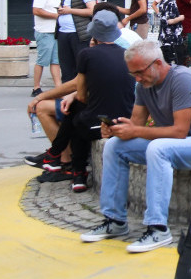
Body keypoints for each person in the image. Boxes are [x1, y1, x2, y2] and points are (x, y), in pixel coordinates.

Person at [81, 39, 191, 253]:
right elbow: (136, 124)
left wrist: (135, 131)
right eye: (133, 75)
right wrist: (115, 130)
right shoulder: (144, 85)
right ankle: (115, 221)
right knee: (115, 146)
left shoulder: (182, 79)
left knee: (158, 148)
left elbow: (179, 131)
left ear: (157, 63)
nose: (137, 78)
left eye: (140, 72)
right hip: (177, 144)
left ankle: (158, 228)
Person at [25, 10, 136, 192]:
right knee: (77, 112)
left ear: (94, 34)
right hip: (125, 119)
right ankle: (62, 161)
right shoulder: (127, 54)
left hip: (98, 126)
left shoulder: (87, 54)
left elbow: (82, 94)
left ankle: (73, 169)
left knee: (77, 117)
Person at [55, 0, 96, 79]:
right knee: (66, 67)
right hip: (63, 32)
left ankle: (80, 94)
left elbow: (92, 10)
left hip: (79, 34)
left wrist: (69, 10)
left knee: (80, 67)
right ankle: (66, 93)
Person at [31, 0, 62, 95]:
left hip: (54, 31)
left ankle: (58, 87)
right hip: (45, 31)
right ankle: (36, 87)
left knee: (55, 60)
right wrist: (56, 16)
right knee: (42, 60)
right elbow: (37, 10)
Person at [156, 0, 185, 65]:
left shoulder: (166, 0)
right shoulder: (170, 2)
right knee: (174, 67)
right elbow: (168, 21)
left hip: (167, 40)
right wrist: (180, 18)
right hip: (171, 41)